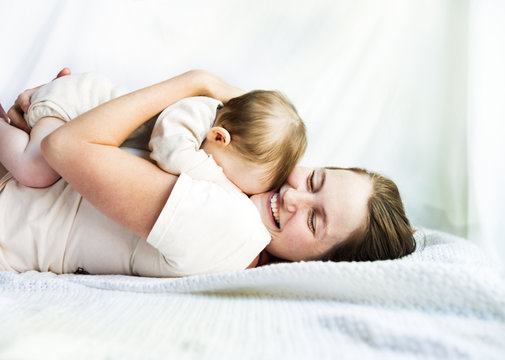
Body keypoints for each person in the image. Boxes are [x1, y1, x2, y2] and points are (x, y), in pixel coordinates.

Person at [0, 69, 416, 278]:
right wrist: (59, 106)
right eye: (314, 181)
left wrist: (197, 82)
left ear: (319, 264)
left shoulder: (233, 228)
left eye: (314, 219)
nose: (293, 199)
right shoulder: (245, 188)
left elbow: (64, 148)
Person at [0, 72, 307, 195]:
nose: (229, 185)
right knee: (35, 169)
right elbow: (167, 149)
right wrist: (220, 182)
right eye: (231, 177)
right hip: (75, 103)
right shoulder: (195, 112)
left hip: (77, 121)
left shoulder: (213, 129)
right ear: (219, 137)